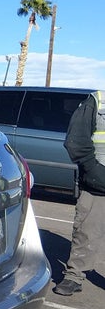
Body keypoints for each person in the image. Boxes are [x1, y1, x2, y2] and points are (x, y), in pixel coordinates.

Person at [55, 90, 105, 295]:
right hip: (99, 184)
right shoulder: (97, 101)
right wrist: (95, 172)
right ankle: (74, 276)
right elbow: (76, 140)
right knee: (87, 232)